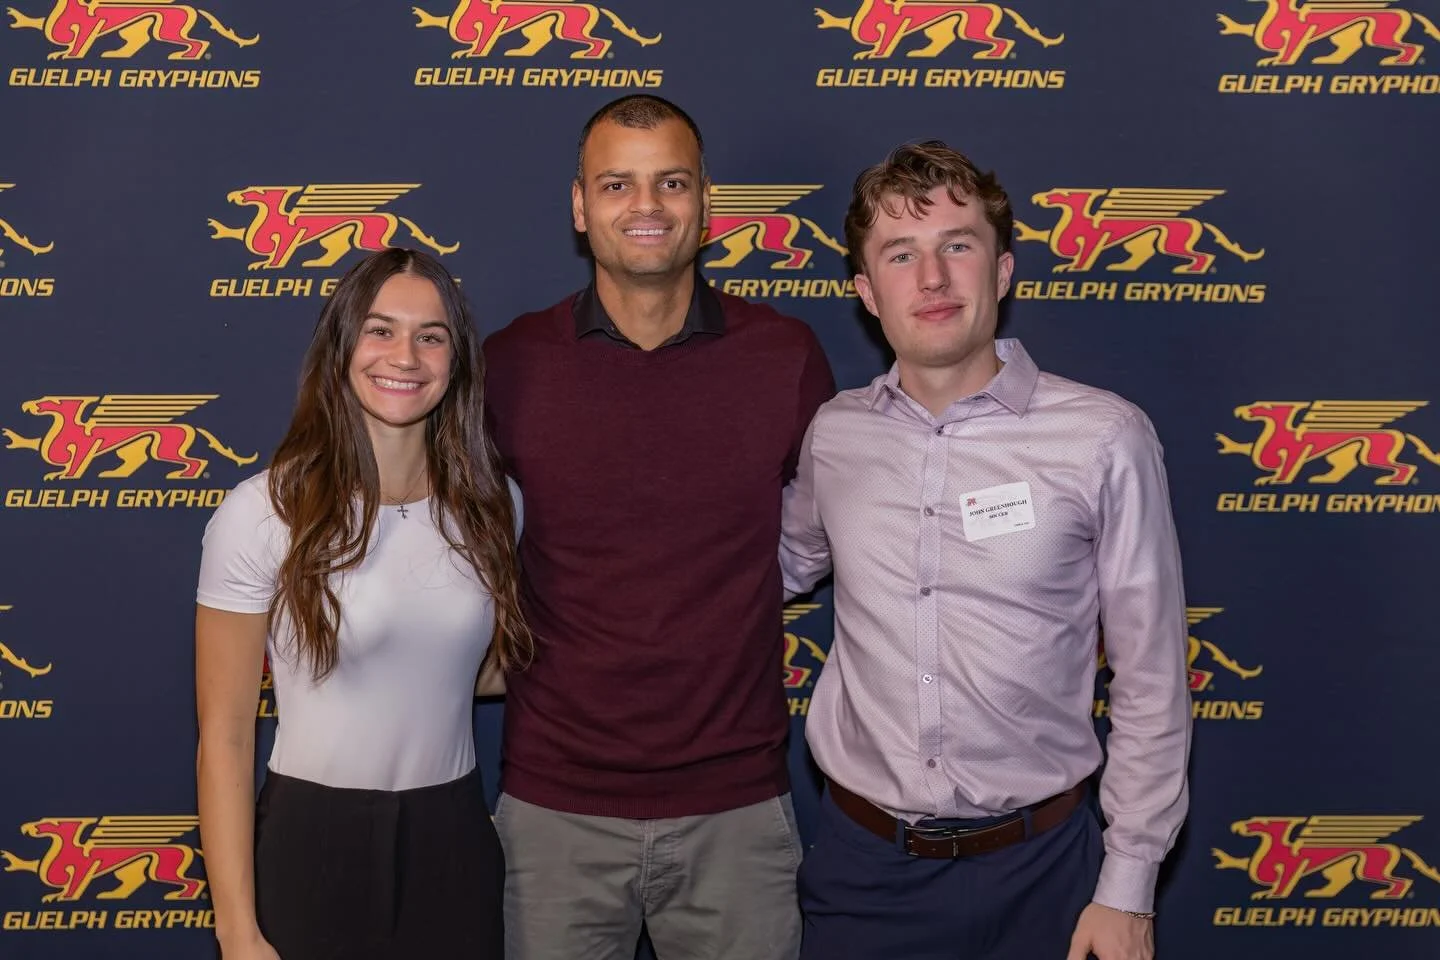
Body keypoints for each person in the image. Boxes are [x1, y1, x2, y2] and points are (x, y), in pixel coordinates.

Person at [779, 140, 1192, 960]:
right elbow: (772, 570)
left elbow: (1152, 678)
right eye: (902, 254)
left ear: (1003, 270)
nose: (932, 279)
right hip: (863, 877)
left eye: (957, 245)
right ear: (866, 292)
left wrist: (1130, 886)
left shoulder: (1104, 436)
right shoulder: (836, 435)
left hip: (1048, 876)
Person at [481, 94, 836, 960]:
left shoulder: (785, 356)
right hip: (555, 809)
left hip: (739, 812)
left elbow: (837, 536)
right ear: (579, 205)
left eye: (671, 182)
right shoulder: (509, 364)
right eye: (617, 184)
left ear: (706, 201)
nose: (646, 207)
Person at [194, 247, 528, 959]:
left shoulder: (495, 508)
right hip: (310, 844)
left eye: (430, 335)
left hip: (455, 843)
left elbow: (486, 666)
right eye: (380, 329)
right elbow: (223, 738)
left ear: (456, 359)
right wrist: (236, 931)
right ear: (342, 345)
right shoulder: (263, 512)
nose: (404, 355)